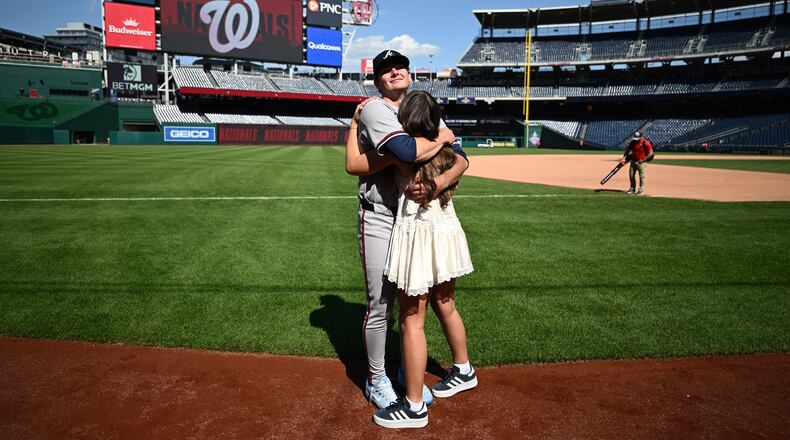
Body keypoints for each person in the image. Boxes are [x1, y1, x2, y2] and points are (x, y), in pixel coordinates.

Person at [344, 50, 469, 411]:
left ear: (410, 74)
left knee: (411, 304)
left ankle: (404, 372)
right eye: (384, 69)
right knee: (380, 303)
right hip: (382, 216)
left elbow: (463, 158)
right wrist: (442, 138)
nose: (393, 71)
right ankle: (376, 377)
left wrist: (437, 182)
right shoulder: (375, 109)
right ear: (377, 80)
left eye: (399, 66)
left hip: (414, 219)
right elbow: (405, 150)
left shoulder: (418, 105)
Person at [365, 91, 476, 429]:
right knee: (446, 303)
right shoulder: (445, 147)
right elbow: (462, 159)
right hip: (445, 227)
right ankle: (463, 369)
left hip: (417, 229)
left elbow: (359, 163)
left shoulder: (405, 150)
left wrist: (357, 123)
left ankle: (414, 406)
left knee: (412, 319)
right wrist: (444, 141)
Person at [620, 131, 654, 195]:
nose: (636, 140)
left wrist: (643, 160)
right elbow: (628, 150)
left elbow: (651, 153)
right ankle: (632, 188)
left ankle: (641, 190)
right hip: (633, 161)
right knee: (631, 175)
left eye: (637, 138)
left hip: (641, 162)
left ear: (641, 137)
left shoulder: (646, 143)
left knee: (642, 176)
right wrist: (623, 158)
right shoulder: (633, 142)